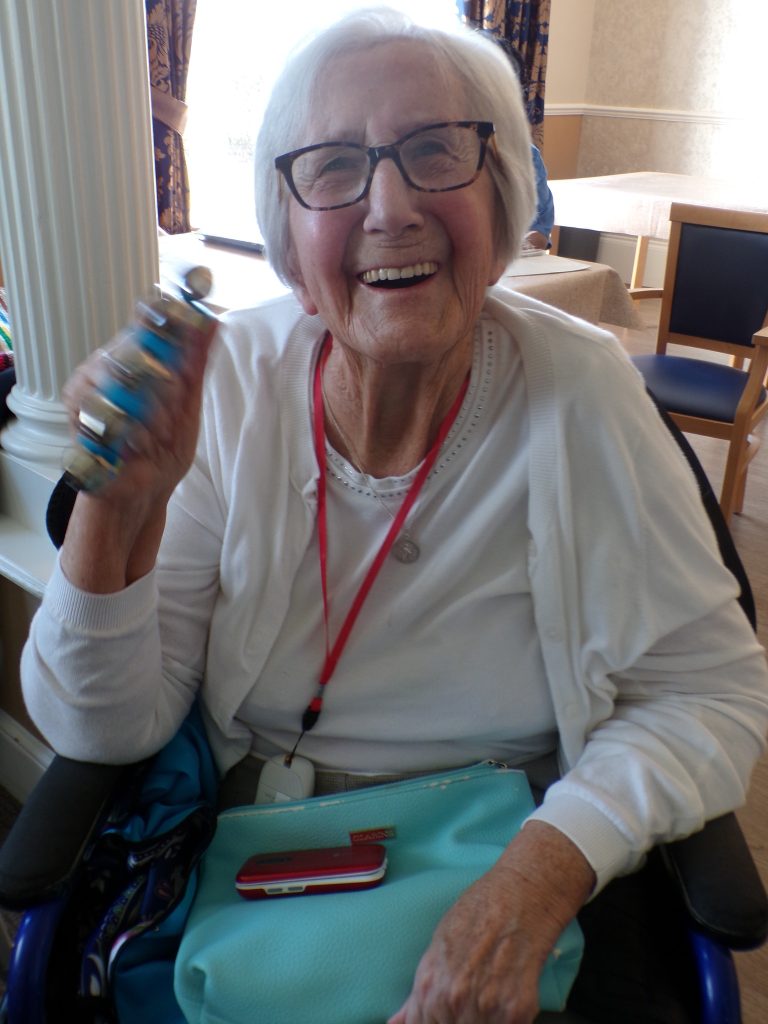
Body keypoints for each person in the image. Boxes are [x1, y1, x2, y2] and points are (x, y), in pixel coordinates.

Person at [21, 9, 768, 1024]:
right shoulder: (232, 380)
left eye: (434, 153)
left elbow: (711, 696)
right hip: (257, 864)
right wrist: (120, 512)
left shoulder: (584, 389)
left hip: (504, 842)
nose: (391, 207)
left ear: (499, 194)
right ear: (288, 227)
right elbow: (103, 728)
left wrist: (537, 879)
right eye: (333, 166)